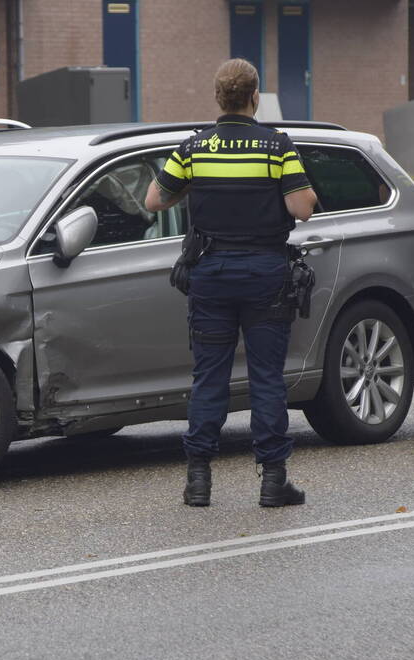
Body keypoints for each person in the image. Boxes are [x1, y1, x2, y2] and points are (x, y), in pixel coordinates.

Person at [144, 58, 318, 508]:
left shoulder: (194, 149)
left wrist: (193, 187)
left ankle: (198, 480)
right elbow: (302, 208)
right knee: (265, 378)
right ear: (254, 96)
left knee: (209, 378)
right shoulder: (276, 147)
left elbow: (154, 199)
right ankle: (273, 480)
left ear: (218, 97)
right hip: (264, 273)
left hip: (211, 273)